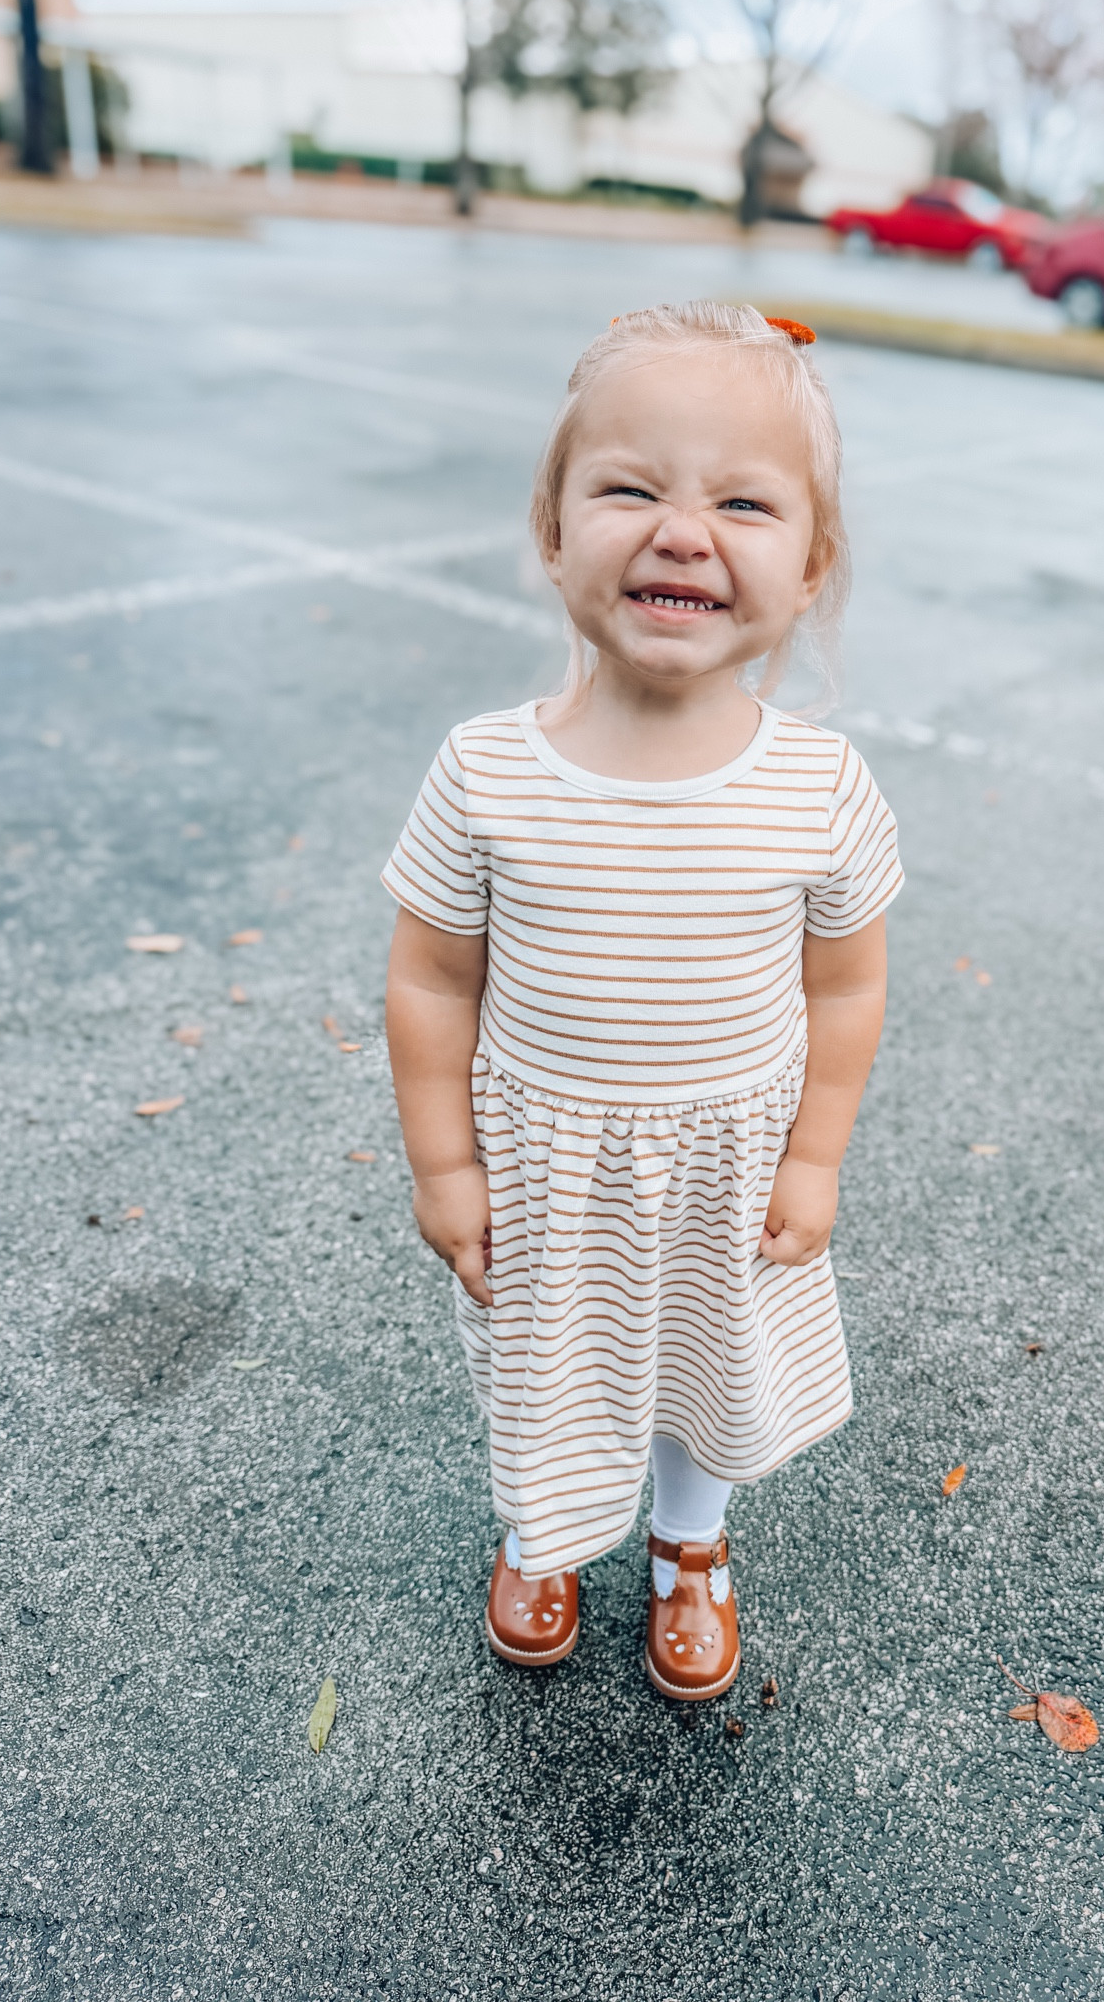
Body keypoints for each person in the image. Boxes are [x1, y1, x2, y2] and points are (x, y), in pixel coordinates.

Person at [382, 301, 901, 1701]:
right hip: (548, 1167)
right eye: (629, 490)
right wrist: (444, 1167)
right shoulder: (488, 771)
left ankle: (688, 1542)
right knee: (551, 1369)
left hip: (727, 1166)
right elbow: (430, 978)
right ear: (552, 532)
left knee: (703, 1366)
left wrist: (814, 1156)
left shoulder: (819, 787)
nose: (683, 533)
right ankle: (541, 1532)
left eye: (744, 502)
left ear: (812, 566)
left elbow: (848, 981)